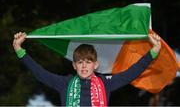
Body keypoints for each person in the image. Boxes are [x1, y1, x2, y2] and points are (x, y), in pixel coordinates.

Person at [13, 31, 161, 106]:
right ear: (74, 65)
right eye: (80, 62)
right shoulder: (64, 83)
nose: (84, 66)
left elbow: (130, 73)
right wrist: (19, 49)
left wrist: (153, 52)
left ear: (95, 65)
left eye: (88, 62)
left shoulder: (105, 83)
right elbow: (40, 73)